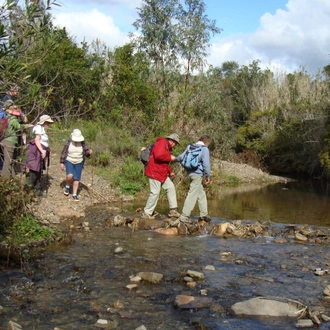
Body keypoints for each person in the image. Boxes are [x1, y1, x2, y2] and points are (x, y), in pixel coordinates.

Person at [142, 133, 181, 219]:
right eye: (173, 141)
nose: (174, 144)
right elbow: (158, 156)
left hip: (161, 173)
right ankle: (147, 212)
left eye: (175, 143)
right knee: (155, 192)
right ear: (169, 139)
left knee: (170, 187)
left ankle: (173, 210)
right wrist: (170, 157)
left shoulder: (167, 147)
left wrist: (170, 171)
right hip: (154, 171)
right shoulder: (162, 142)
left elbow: (163, 163)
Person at [174, 135, 212, 223]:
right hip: (197, 174)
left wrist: (174, 159)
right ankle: (184, 216)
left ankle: (204, 214)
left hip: (189, 173)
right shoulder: (204, 149)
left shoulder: (190, 147)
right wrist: (208, 176)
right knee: (192, 194)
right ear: (207, 142)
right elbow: (206, 164)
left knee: (201, 192)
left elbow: (181, 157)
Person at [0, 101, 31, 177]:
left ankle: (13, 176)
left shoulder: (5, 118)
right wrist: (28, 126)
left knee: (8, 160)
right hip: (10, 142)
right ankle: (5, 179)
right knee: (8, 161)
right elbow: (19, 127)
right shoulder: (13, 119)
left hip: (3, 141)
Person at [60, 129, 92, 201]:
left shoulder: (83, 143)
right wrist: (62, 162)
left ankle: (74, 194)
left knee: (77, 179)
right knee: (70, 175)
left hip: (79, 162)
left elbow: (86, 153)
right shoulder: (68, 143)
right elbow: (64, 152)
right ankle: (67, 186)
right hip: (69, 160)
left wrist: (89, 152)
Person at [25, 114, 54, 194]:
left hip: (40, 151)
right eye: (47, 122)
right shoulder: (38, 128)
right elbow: (37, 140)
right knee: (34, 171)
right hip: (36, 152)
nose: (49, 124)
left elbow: (42, 141)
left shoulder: (42, 129)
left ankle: (36, 189)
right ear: (44, 122)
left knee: (39, 171)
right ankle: (28, 189)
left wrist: (48, 149)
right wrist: (42, 151)